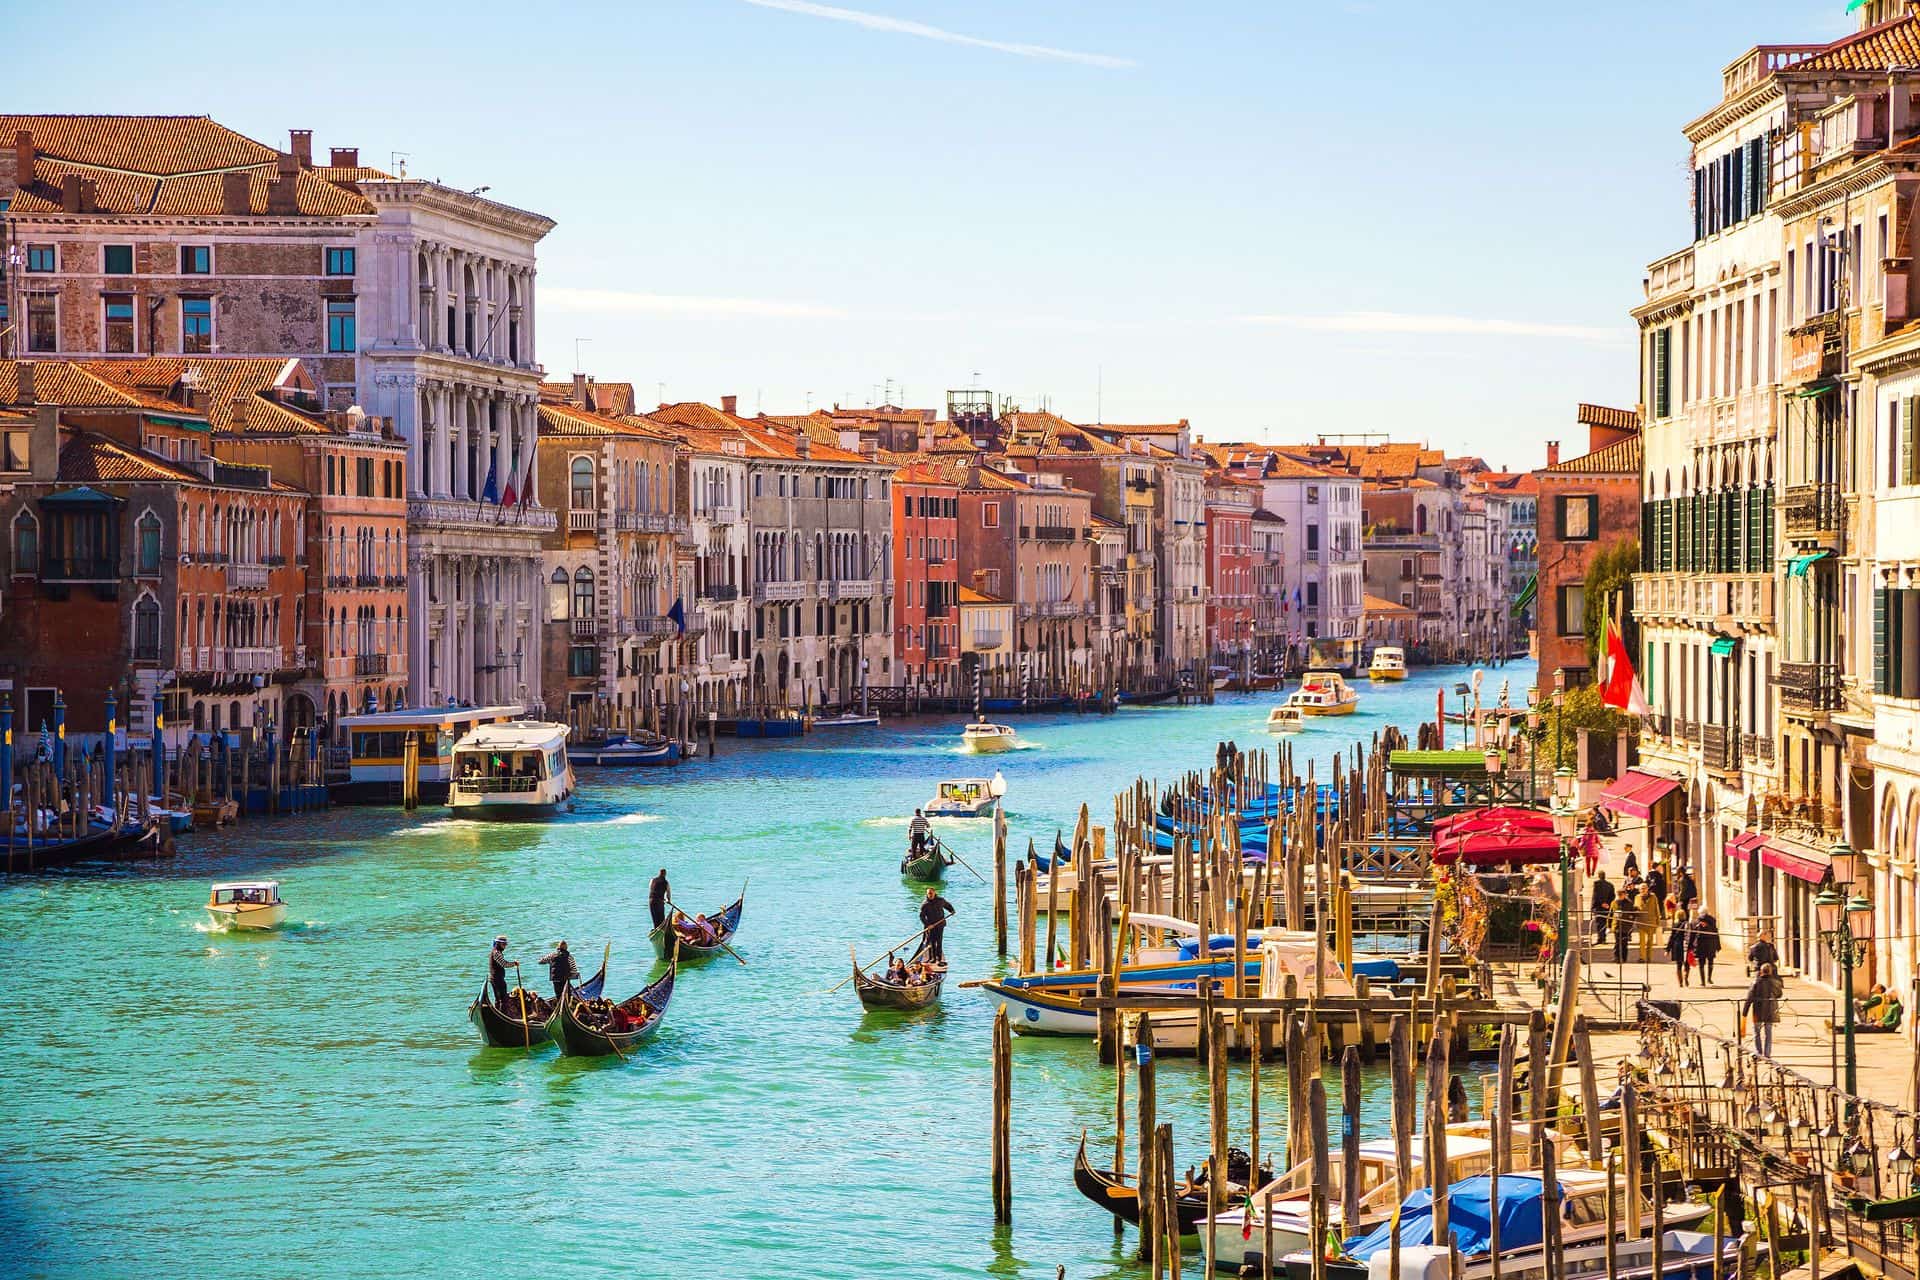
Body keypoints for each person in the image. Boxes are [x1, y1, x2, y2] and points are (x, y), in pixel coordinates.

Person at [1746, 962, 1783, 1056]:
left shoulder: (1755, 982)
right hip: (1770, 1010)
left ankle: (1758, 1052)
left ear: (1761, 971)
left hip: (1758, 1010)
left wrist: (1745, 1011)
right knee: (1768, 1033)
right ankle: (1767, 1054)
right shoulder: (1776, 982)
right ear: (1770, 971)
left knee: (1756, 1032)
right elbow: (1779, 994)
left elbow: (1750, 997)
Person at [920, 887, 956, 964]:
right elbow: (922, 916)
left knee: (939, 941)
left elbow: (947, 905)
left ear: (934, 893)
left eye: (931, 893)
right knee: (932, 942)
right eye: (929, 893)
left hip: (940, 924)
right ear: (927, 894)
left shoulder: (940, 900)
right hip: (931, 926)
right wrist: (928, 925)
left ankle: (939, 958)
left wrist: (952, 910)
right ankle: (932, 958)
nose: (930, 895)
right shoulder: (925, 904)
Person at [1691, 908, 1721, 984]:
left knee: (1701, 963)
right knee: (1710, 962)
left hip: (1700, 945)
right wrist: (1718, 946)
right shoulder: (1713, 921)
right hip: (1711, 944)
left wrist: (1691, 946)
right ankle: (1709, 978)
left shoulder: (1696, 922)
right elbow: (1716, 933)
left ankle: (1702, 981)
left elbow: (1693, 935)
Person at [1665, 906, 1692, 987]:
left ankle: (1680, 982)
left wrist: (1667, 949)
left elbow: (1672, 938)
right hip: (1686, 946)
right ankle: (1686, 976)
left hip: (1677, 946)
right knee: (1687, 964)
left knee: (1678, 965)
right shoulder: (1688, 925)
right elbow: (1692, 936)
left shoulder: (1675, 925)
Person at [1590, 871, 1615, 945]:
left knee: (1599, 923)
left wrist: (1601, 903)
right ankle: (1603, 938)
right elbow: (1612, 896)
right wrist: (1607, 904)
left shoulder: (1596, 884)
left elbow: (1596, 895)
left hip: (1598, 907)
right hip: (1607, 907)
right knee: (1604, 923)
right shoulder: (1610, 885)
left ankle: (1600, 938)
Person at [1638, 887, 1662, 964]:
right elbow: (1635, 908)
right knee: (1642, 942)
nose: (1643, 890)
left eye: (1644, 888)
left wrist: (1658, 921)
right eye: (1641, 889)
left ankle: (1649, 957)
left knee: (1650, 941)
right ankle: (1642, 957)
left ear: (1647, 889)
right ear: (1639, 890)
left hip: (1651, 922)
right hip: (1641, 922)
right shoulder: (1637, 897)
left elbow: (1656, 909)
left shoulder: (1653, 897)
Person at [488, 935, 513, 1007]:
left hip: (495, 978)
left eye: (506, 944)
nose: (505, 946)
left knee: (499, 998)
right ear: (498, 944)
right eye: (504, 944)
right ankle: (502, 1012)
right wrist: (514, 964)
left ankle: (499, 1010)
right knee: (503, 999)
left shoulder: (495, 952)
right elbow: (504, 964)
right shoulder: (496, 953)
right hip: (497, 979)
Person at [1612, 889, 1635, 966]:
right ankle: (1617, 957)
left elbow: (1633, 914)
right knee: (1617, 942)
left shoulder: (1629, 903)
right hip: (1616, 926)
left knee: (1624, 943)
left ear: (1625, 895)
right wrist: (1609, 926)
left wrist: (1630, 924)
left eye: (1621, 895)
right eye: (1618, 895)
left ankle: (1624, 958)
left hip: (1625, 926)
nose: (1619, 897)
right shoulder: (1614, 903)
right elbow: (1611, 914)